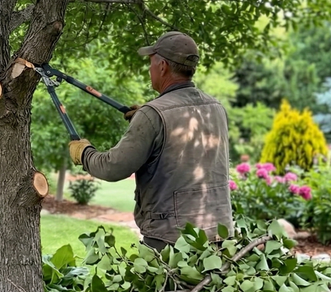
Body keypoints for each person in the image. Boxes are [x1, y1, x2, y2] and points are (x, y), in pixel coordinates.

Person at [67, 31, 232, 251]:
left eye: (151, 62)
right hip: (220, 236)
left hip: (172, 240)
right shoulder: (215, 108)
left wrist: (84, 153)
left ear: (162, 66)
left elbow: (113, 168)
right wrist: (146, 121)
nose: (149, 69)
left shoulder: (153, 114)